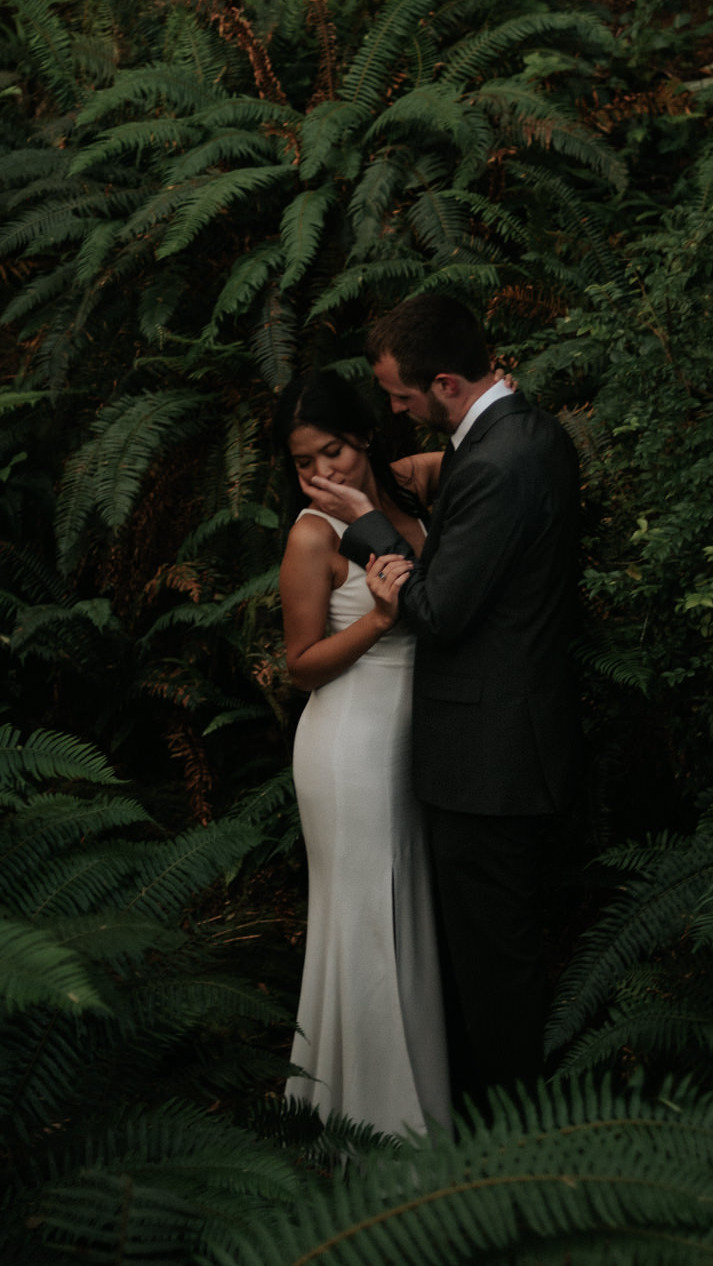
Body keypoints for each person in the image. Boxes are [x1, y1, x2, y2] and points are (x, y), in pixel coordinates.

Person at [303, 295, 580, 1113]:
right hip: (509, 741)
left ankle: (509, 1147)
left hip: (487, 760)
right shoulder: (521, 433)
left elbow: (437, 610)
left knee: (495, 970)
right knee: (491, 958)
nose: (394, 412)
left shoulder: (495, 463)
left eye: (401, 396)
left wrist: (366, 527)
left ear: (449, 383)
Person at [274, 370, 452, 1136]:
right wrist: (379, 621)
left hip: (415, 742)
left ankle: (408, 1113)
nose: (322, 474)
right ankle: (376, 1130)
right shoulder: (312, 533)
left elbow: (477, 447)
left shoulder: (409, 490)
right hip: (348, 744)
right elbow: (300, 663)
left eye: (335, 451)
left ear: (369, 437)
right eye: (305, 463)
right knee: (364, 924)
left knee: (405, 915)